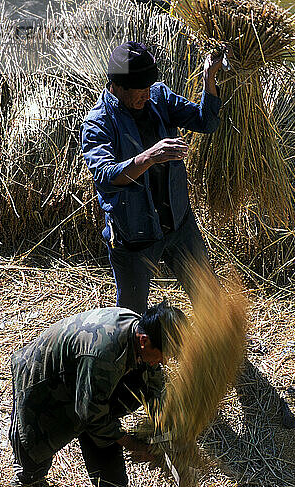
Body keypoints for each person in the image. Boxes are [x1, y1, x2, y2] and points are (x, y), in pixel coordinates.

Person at [81, 41, 224, 314]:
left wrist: (209, 77)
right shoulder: (99, 123)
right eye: (140, 90)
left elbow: (207, 121)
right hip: (134, 235)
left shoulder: (159, 97)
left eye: (149, 88)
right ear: (117, 87)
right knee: (131, 316)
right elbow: (107, 176)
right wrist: (150, 156)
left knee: (210, 299)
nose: (147, 95)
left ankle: (222, 355)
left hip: (178, 224)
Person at [9, 301, 186, 487]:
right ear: (144, 340)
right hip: (43, 375)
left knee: (104, 421)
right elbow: (91, 415)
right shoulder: (104, 353)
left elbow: (154, 387)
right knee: (36, 445)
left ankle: (113, 486)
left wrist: (167, 435)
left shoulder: (141, 332)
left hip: (84, 372)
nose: (164, 362)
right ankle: (28, 476)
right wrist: (134, 444)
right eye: (164, 356)